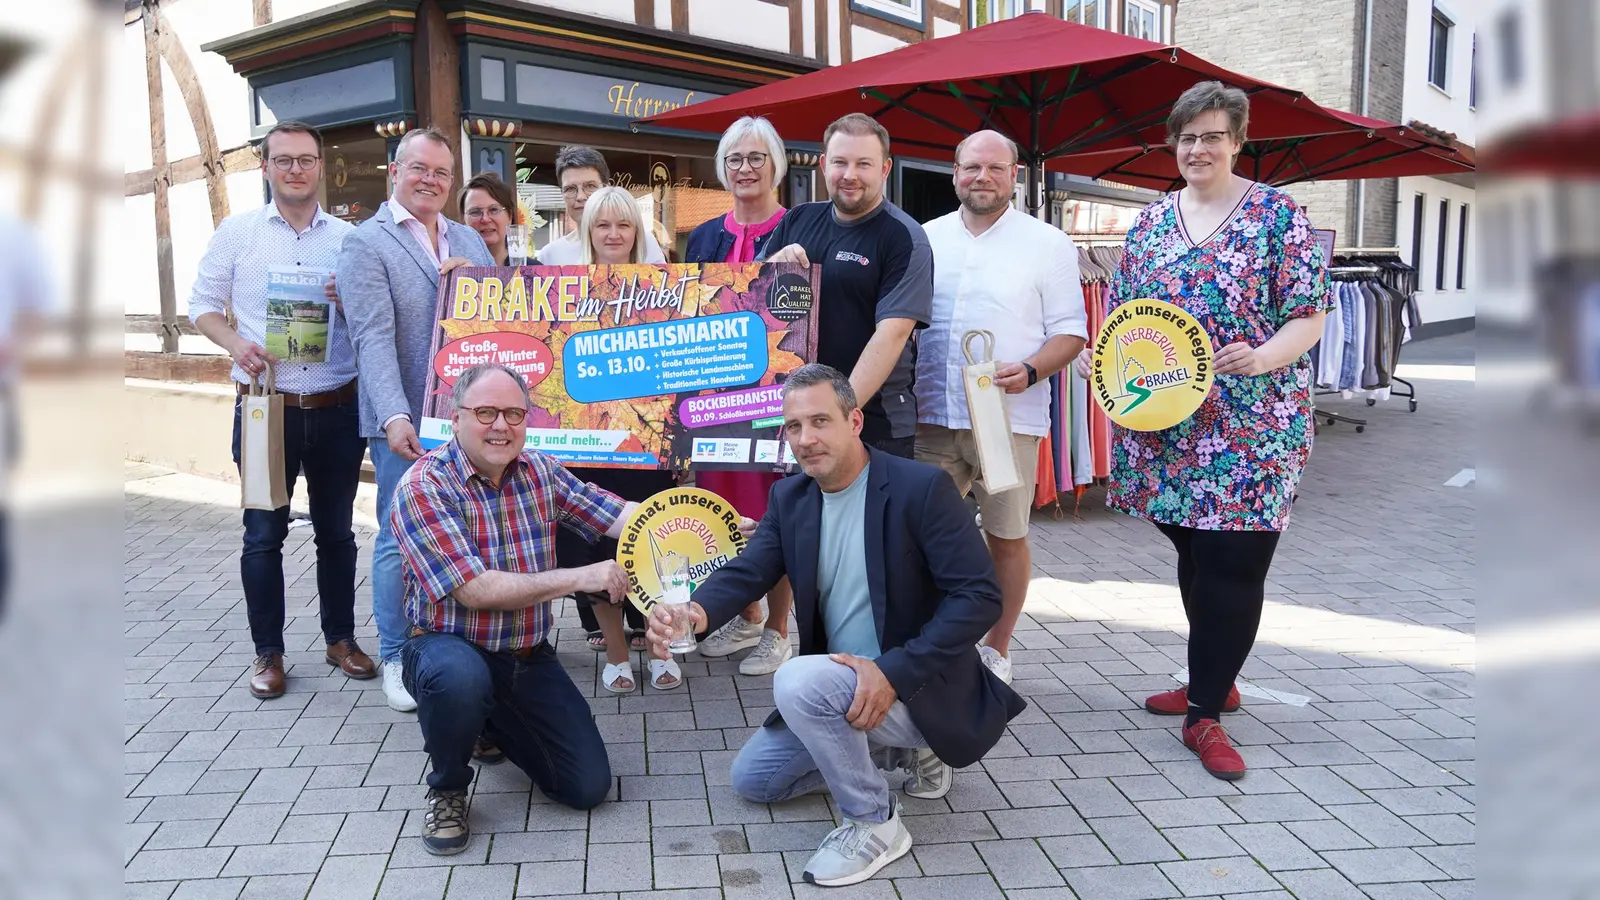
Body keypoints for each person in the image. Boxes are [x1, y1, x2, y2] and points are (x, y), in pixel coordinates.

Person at [646, 364, 1025, 888]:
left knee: (796, 679)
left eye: (820, 421)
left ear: (855, 420)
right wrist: (696, 612)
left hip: (917, 685)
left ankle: (874, 820)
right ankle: (895, 752)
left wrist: (891, 671)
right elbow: (751, 570)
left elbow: (980, 597)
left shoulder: (922, 488)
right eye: (794, 426)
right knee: (753, 781)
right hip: (843, 689)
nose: (806, 439)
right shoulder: (791, 497)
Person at [1072, 82, 1332, 781]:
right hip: (1167, 419)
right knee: (1193, 546)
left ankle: (1204, 713)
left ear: (1237, 141)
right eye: (1187, 137)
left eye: (1212, 136)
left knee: (1233, 559)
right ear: (1174, 143)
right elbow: (1125, 320)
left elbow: (1309, 314)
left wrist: (1265, 354)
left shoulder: (1279, 217)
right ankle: (1215, 669)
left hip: (1254, 420)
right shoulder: (1152, 223)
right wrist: (1117, 392)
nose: (1198, 148)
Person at [392, 363, 637, 855]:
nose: (501, 426)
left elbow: (618, 514)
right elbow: (476, 591)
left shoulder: (540, 470)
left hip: (525, 655)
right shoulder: (424, 487)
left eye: (513, 413)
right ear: (455, 417)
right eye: (485, 412)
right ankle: (447, 788)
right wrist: (579, 577)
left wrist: (710, 518)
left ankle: (488, 721)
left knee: (587, 788)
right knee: (459, 679)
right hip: (446, 647)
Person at [188, 120, 374, 698]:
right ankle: (268, 653)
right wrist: (235, 344)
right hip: (266, 409)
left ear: (322, 167)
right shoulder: (236, 232)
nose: (296, 169)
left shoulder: (350, 239)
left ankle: (340, 638)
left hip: (337, 407)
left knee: (338, 533)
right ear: (266, 167)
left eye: (306, 160)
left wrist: (353, 299)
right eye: (284, 160)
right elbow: (202, 306)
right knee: (262, 535)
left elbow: (373, 317)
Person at [916, 130, 1088, 685]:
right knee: (919, 537)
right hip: (931, 414)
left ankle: (998, 646)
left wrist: (1034, 368)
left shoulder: (1048, 243)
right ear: (955, 173)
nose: (982, 177)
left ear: (1014, 175)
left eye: (994, 168)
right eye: (971, 168)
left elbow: (1072, 333)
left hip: (1008, 418)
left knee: (1006, 536)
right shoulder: (924, 238)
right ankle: (928, 637)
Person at [339, 126, 495, 712]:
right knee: (399, 539)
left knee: (471, 529)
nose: (430, 180)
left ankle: (460, 640)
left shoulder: (466, 238)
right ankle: (397, 657)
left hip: (471, 417)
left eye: (441, 173)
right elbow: (372, 340)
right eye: (420, 169)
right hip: (405, 417)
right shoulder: (366, 243)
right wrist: (393, 416)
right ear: (394, 172)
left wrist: (472, 281)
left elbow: (492, 318)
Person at [555, 185, 681, 693]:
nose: (613, 234)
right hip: (586, 447)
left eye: (623, 224)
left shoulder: (668, 287)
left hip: (649, 445)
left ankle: (663, 643)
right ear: (588, 231)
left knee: (658, 545)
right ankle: (615, 650)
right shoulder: (560, 286)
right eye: (602, 225)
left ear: (637, 231)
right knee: (595, 551)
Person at [683, 115, 795, 677]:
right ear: (722, 168)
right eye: (734, 159)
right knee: (722, 508)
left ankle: (778, 630)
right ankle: (743, 612)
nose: (745, 168)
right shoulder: (703, 237)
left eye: (756, 157)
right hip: (713, 402)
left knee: (777, 511)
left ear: (776, 164)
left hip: (774, 399)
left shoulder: (800, 227)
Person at [761, 114, 933, 460]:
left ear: (884, 170)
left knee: (872, 516)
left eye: (863, 164)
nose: (850, 175)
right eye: (840, 162)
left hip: (872, 426)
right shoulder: (797, 220)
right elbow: (750, 302)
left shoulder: (905, 238)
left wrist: (839, 417)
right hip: (800, 423)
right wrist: (772, 268)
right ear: (824, 165)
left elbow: (893, 335)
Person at [533, 145, 666, 265]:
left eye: (590, 186)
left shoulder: (642, 243)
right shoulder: (550, 255)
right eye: (570, 189)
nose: (580, 197)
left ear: (606, 187)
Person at [459, 171, 522, 266]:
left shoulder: (533, 271)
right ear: (463, 220)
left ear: (510, 216)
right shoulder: (454, 271)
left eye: (494, 210)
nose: (485, 219)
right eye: (475, 212)